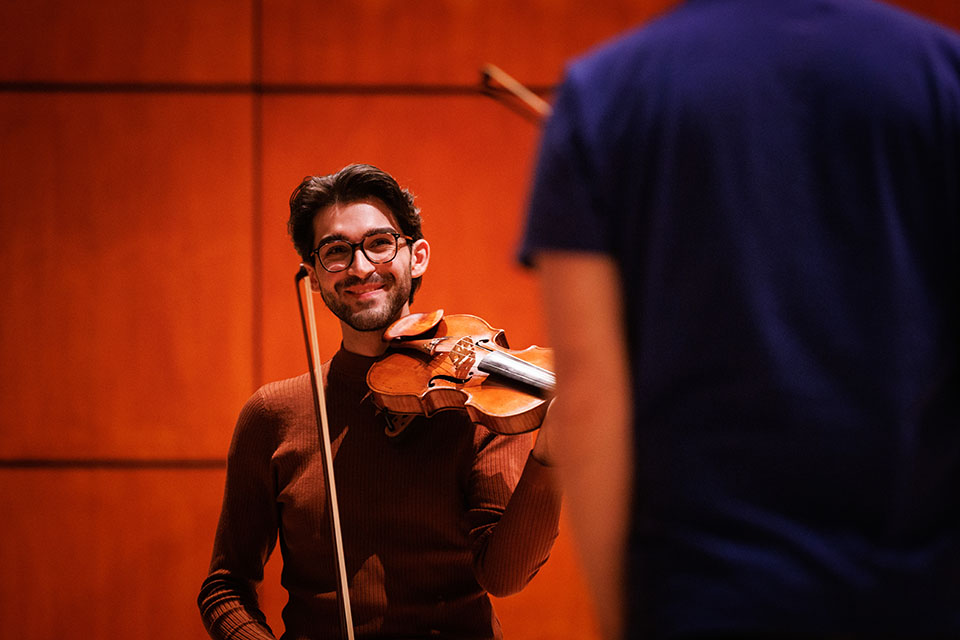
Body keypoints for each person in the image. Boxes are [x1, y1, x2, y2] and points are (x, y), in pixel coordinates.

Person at [520, 0, 960, 638]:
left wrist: (623, 623)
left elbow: (589, 398)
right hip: (923, 596)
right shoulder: (943, 75)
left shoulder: (605, 93)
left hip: (703, 595)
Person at [199, 163, 562, 639]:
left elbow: (504, 577)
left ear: (417, 257)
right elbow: (225, 589)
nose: (360, 267)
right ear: (313, 277)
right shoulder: (274, 414)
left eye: (379, 243)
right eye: (335, 251)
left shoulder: (480, 402)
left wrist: (550, 456)